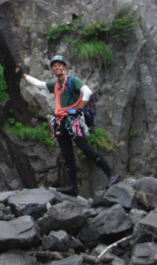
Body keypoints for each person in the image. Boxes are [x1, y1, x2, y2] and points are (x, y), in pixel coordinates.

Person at [16, 55, 121, 196]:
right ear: (52, 69)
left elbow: (87, 92)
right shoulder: (57, 85)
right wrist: (23, 74)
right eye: (54, 66)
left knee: (85, 148)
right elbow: (40, 84)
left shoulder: (72, 81)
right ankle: (73, 187)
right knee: (67, 154)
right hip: (60, 121)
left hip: (73, 119)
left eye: (59, 65)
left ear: (64, 67)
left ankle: (111, 174)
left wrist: (78, 109)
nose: (57, 67)